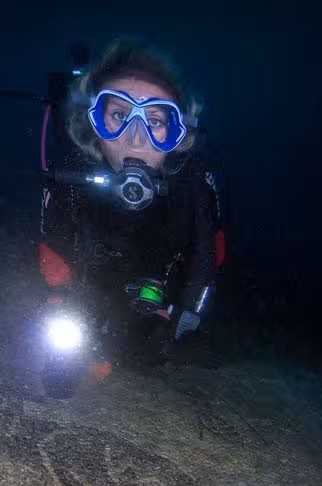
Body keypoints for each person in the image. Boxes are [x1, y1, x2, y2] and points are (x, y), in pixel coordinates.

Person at [38, 38, 226, 378]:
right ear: (93, 122)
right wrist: (59, 300)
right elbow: (53, 240)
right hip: (89, 277)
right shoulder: (70, 173)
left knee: (143, 357)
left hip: (155, 285)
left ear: (179, 133)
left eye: (155, 121)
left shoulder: (192, 185)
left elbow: (209, 256)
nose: (136, 139)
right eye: (120, 115)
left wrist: (185, 314)